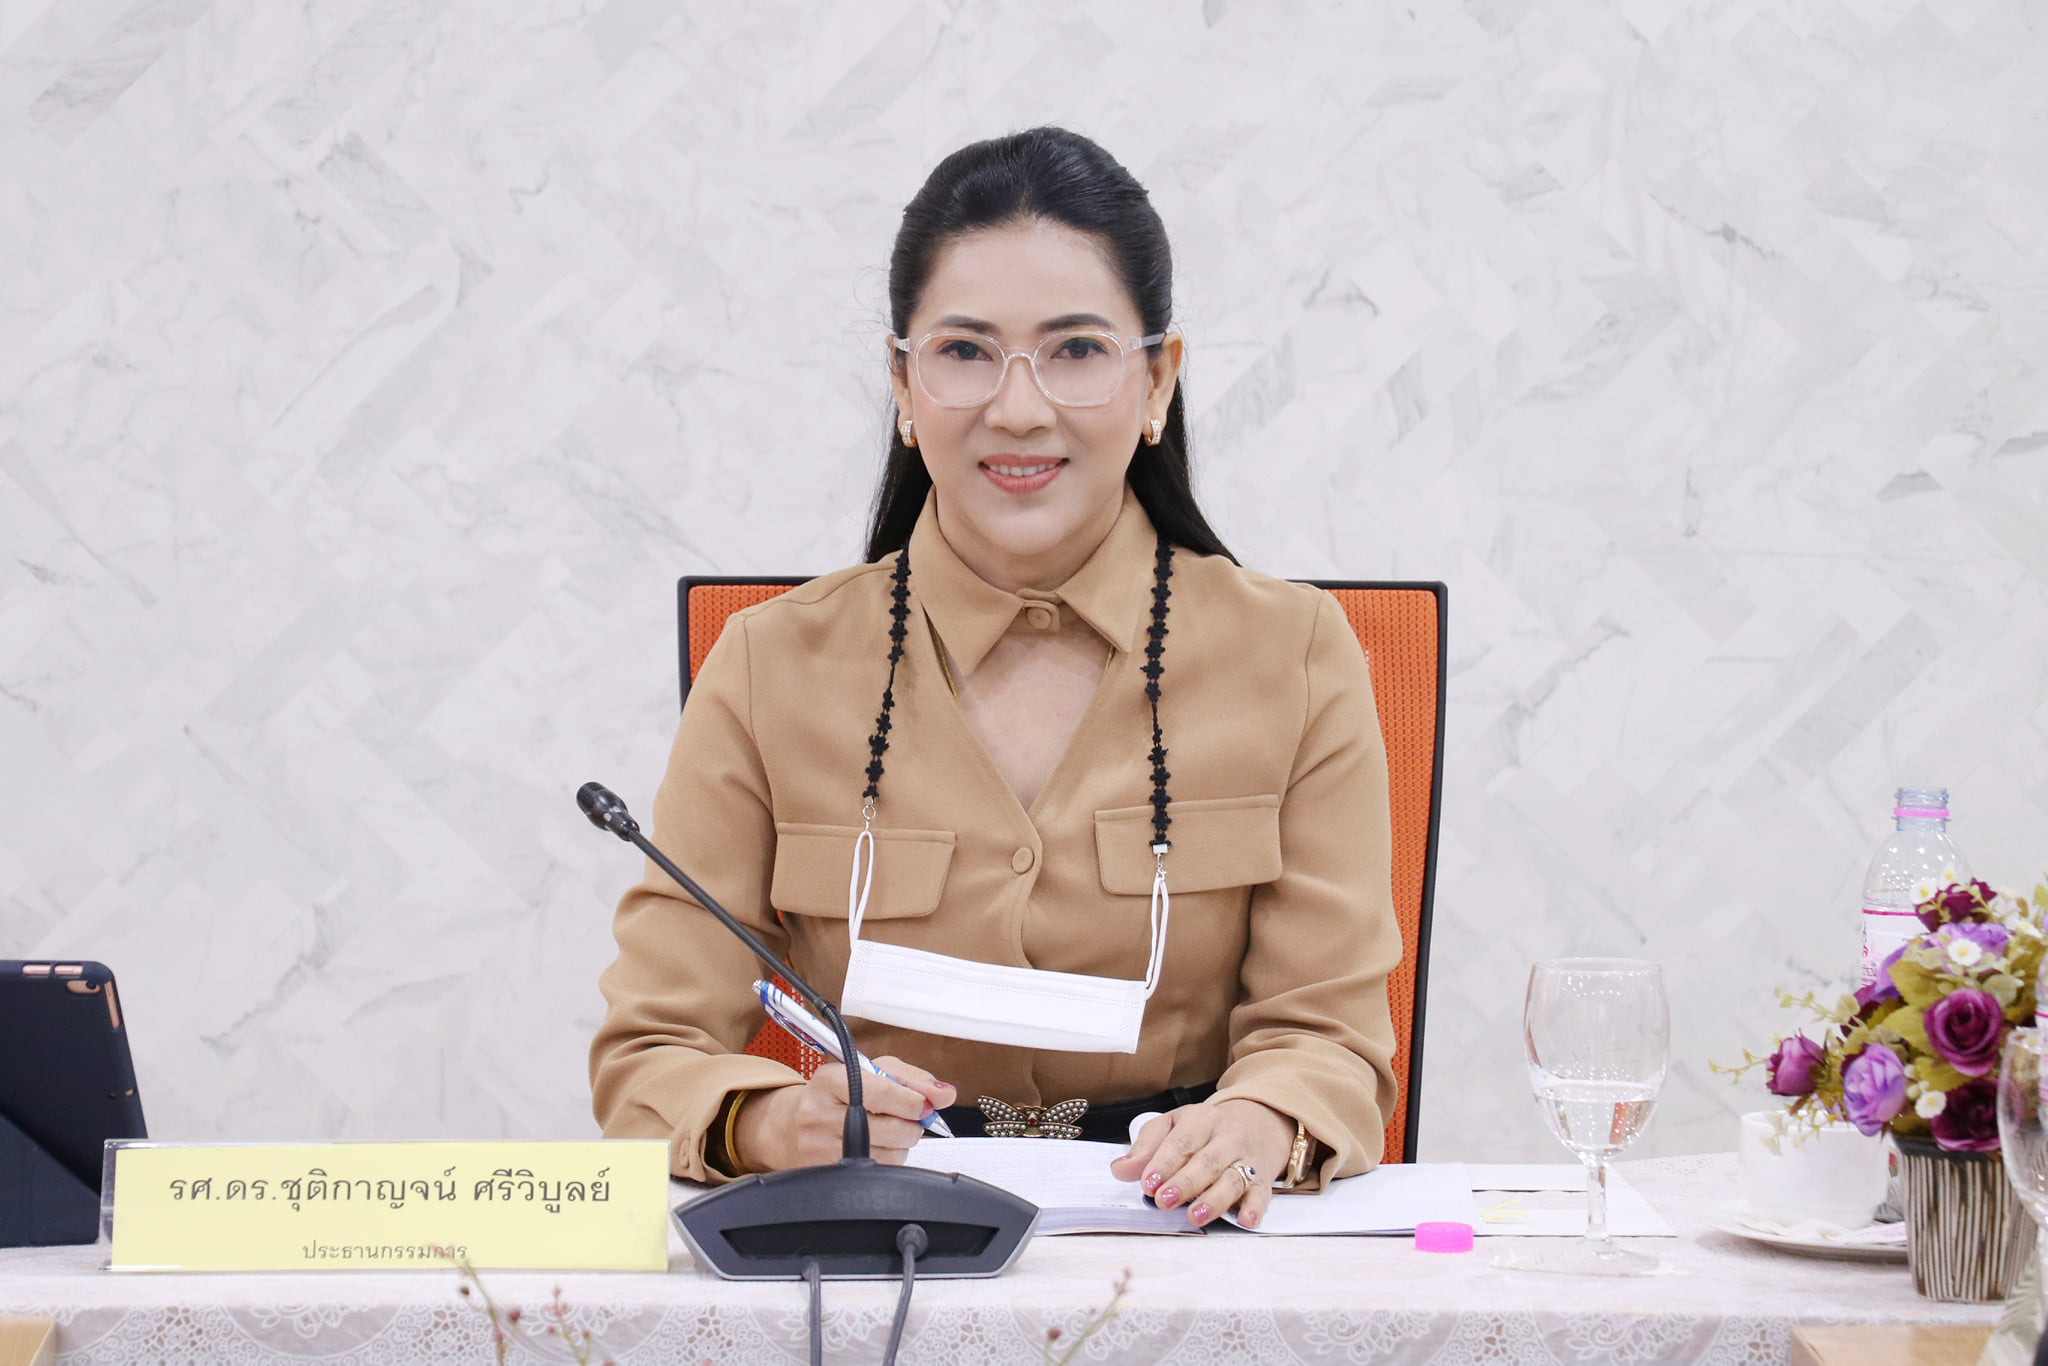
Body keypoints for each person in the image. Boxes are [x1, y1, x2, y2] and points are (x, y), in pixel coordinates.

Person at [590, 127, 1400, 1230]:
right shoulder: (769, 666)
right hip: (879, 1231)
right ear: (903, 383)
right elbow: (653, 1048)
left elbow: (1329, 1037)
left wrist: (1259, 1123)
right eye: (965, 352)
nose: (1018, 408)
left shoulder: (1295, 654)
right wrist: (773, 1125)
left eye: (1077, 350)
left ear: (1157, 378)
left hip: (1184, 1236)